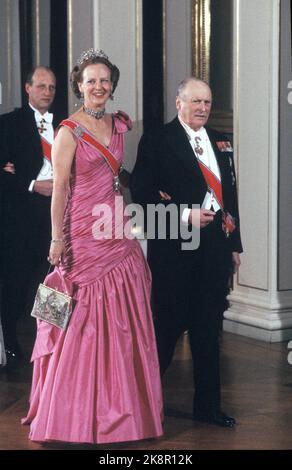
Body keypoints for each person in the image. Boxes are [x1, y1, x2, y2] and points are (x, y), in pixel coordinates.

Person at [22, 49, 163, 444]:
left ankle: (123, 410)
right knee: (81, 317)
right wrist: (56, 238)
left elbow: (117, 173)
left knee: (123, 317)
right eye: (90, 81)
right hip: (82, 231)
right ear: (79, 87)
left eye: (104, 80)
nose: (98, 86)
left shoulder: (119, 126)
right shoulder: (69, 131)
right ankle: (71, 414)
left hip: (117, 228)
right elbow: (60, 189)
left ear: (112, 85)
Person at [130, 77, 243, 428]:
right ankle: (141, 407)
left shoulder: (221, 139)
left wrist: (235, 245)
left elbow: (231, 196)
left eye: (207, 102)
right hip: (174, 254)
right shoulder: (158, 139)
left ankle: (208, 408)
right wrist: (183, 214)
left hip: (213, 253)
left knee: (209, 334)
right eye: (195, 102)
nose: (203, 108)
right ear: (178, 103)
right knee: (165, 333)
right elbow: (142, 195)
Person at [0, 66, 57, 368]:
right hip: (20, 221)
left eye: (51, 87)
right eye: (41, 86)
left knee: (53, 283)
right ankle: (9, 341)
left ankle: (50, 344)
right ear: (28, 88)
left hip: (56, 219)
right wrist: (32, 184)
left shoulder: (64, 125)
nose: (47, 92)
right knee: (16, 285)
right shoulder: (8, 123)